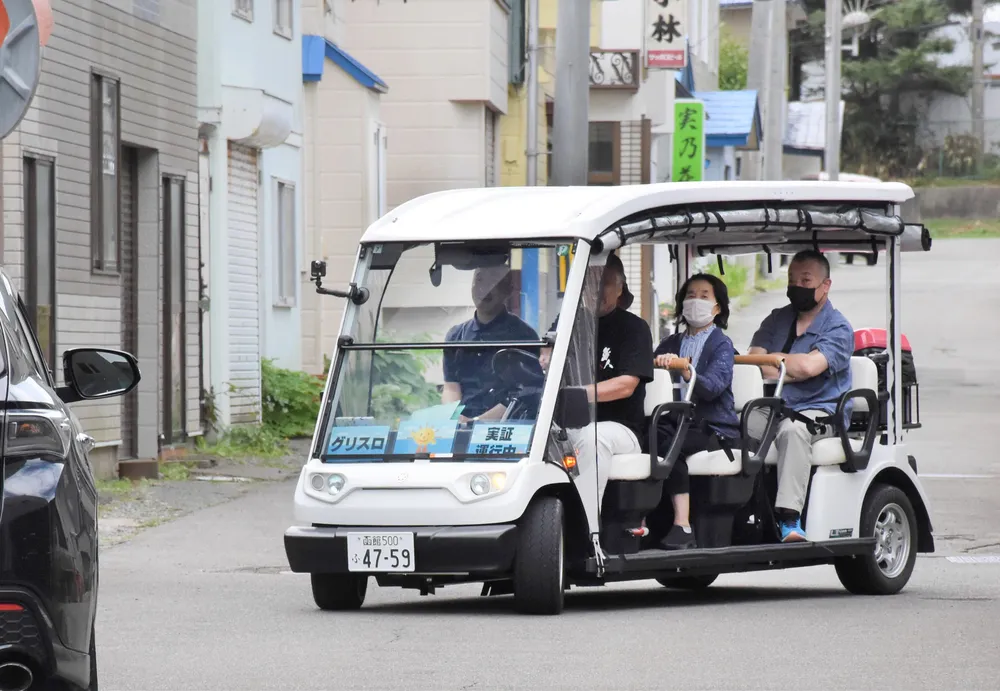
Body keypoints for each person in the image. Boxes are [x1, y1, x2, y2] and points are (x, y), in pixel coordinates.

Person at [748, 250, 854, 543]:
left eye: (805, 280)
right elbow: (754, 361)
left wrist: (777, 362)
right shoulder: (777, 319)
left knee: (794, 431)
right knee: (734, 426)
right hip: (775, 406)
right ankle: (742, 512)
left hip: (821, 412)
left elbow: (809, 367)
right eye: (792, 280)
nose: (797, 286)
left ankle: (789, 519)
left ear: (825, 285)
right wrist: (790, 366)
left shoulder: (838, 328)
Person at [648, 273, 740, 550]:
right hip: (675, 422)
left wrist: (687, 370)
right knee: (647, 437)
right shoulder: (669, 343)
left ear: (717, 307)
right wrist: (660, 364)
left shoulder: (722, 344)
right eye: (690, 295)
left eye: (704, 296)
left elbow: (713, 387)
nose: (695, 301)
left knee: (669, 444)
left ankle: (683, 525)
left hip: (712, 428)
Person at [566, 253, 655, 533]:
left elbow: (626, 385)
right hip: (569, 422)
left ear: (620, 288)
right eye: (589, 281)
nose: (595, 289)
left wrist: (577, 394)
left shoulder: (634, 328)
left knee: (592, 438)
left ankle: (585, 532)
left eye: (603, 282)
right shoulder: (569, 325)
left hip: (621, 429)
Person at [441, 265, 539, 423]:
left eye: (494, 281)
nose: (484, 288)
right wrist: (455, 418)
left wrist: (477, 422)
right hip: (462, 428)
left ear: (508, 290)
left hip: (506, 428)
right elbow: (451, 387)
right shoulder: (455, 335)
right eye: (479, 280)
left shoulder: (524, 336)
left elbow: (524, 393)